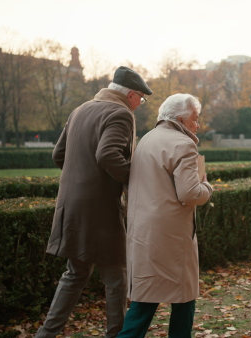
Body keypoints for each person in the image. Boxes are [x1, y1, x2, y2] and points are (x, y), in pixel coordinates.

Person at [35, 66, 152, 338]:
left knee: (75, 274)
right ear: (131, 95)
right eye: (141, 100)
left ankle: (45, 335)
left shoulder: (80, 109)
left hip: (71, 206)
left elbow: (58, 155)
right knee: (116, 277)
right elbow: (108, 154)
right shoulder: (120, 113)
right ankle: (117, 335)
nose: (139, 105)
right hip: (101, 210)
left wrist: (81, 179)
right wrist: (133, 182)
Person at [118, 94, 213, 338]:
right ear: (181, 119)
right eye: (195, 118)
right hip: (172, 237)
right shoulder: (184, 144)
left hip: (143, 233)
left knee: (143, 301)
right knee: (184, 298)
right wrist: (207, 187)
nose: (198, 124)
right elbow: (190, 193)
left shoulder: (146, 139)